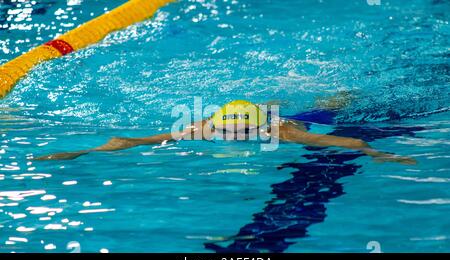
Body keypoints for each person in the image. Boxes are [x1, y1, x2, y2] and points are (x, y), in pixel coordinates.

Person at [35, 99, 416, 164]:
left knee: (335, 104)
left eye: (241, 134)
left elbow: (350, 140)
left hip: (309, 116)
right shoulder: (202, 128)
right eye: (226, 133)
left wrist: (380, 153)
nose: (232, 139)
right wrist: (80, 152)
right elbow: (130, 142)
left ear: (259, 128)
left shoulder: (283, 133)